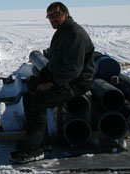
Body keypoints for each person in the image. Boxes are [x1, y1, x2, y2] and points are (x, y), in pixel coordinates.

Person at [10, 2, 95, 164]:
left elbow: (73, 69)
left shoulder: (74, 34)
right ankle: (37, 139)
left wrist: (51, 84)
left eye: (55, 15)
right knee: (30, 94)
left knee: (39, 100)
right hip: (64, 78)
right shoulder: (61, 32)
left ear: (66, 13)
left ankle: (34, 149)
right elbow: (55, 62)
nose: (52, 19)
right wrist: (42, 77)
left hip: (77, 82)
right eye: (49, 16)